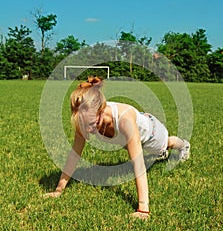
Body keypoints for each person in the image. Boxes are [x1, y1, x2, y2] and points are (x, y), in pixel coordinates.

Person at [45, 76, 190, 220]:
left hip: (151, 133)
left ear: (100, 110)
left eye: (90, 124)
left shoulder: (124, 120)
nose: (87, 129)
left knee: (166, 144)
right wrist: (58, 190)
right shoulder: (83, 117)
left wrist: (143, 209)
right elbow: (74, 155)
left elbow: (138, 164)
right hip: (129, 138)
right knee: (133, 146)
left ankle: (184, 145)